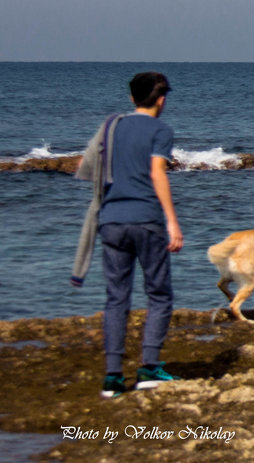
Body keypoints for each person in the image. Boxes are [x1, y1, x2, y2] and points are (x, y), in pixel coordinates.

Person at [75, 72, 184, 398]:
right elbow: (156, 173)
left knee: (116, 298)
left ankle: (112, 377)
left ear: (132, 98)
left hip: (111, 221)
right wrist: (173, 222)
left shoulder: (112, 126)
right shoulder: (161, 130)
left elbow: (87, 165)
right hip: (146, 221)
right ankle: (149, 367)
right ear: (162, 99)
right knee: (160, 294)